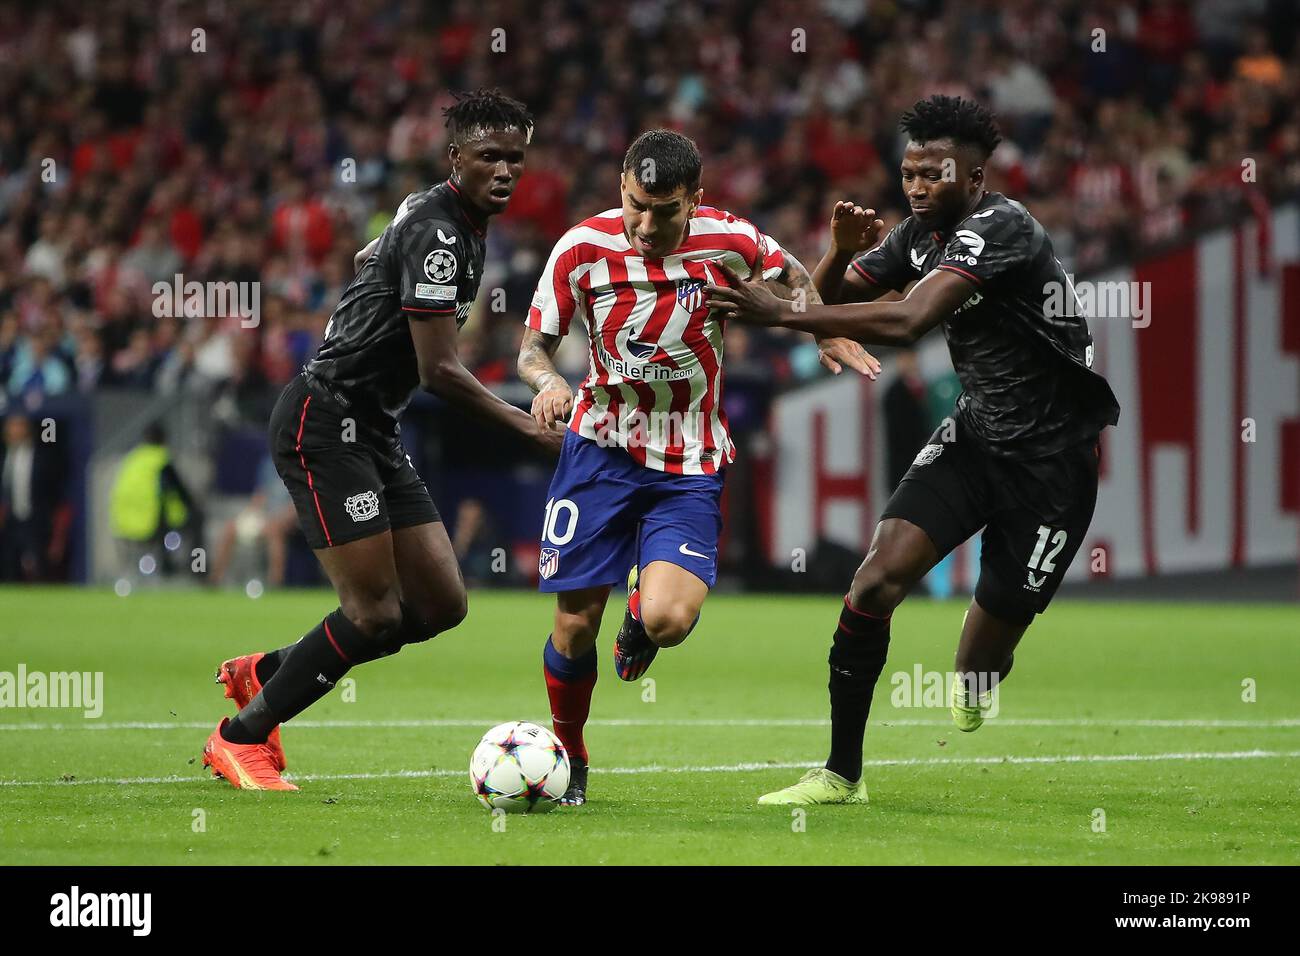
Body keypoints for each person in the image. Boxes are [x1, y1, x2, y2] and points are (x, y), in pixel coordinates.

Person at [704, 95, 1120, 805]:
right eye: (909, 174)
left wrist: (780, 310)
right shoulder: (914, 238)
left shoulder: (1003, 227)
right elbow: (825, 303)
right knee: (874, 580)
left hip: (1054, 464)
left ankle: (978, 676)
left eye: (935, 174)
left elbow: (905, 320)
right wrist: (835, 249)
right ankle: (840, 775)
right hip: (977, 437)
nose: (918, 187)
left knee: (980, 664)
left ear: (976, 178)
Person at [202, 89, 562, 791]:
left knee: (438, 607)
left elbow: (375, 250)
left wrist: (371, 289)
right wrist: (527, 428)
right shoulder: (441, 234)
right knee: (373, 614)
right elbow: (438, 370)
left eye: (516, 159)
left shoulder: (444, 216)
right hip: (324, 421)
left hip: (372, 427)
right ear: (454, 157)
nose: (506, 171)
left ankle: (266, 672)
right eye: (490, 156)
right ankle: (238, 737)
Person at [516, 129, 879, 805]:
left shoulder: (730, 240)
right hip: (599, 447)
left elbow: (795, 279)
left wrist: (823, 324)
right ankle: (569, 756)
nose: (647, 225)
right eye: (636, 206)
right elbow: (533, 345)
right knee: (571, 624)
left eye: (666, 211)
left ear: (696, 200)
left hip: (687, 456)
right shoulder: (580, 248)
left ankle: (638, 613)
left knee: (668, 622)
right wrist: (546, 381)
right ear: (621, 187)